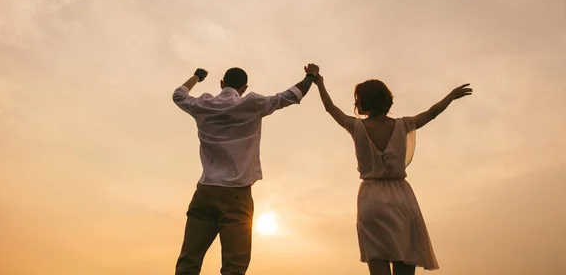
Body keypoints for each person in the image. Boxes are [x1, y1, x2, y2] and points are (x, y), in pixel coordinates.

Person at [312, 71, 472, 275]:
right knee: (406, 258)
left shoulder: (356, 126)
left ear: (363, 103)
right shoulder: (403, 125)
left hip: (371, 200)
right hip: (401, 199)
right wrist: (451, 96)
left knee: (378, 262)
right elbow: (431, 113)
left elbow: (331, 108)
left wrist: (320, 83)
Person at [172, 64, 320, 275]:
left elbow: (179, 95)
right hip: (237, 194)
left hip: (205, 191)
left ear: (222, 84)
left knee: (189, 261)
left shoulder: (203, 104)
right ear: (244, 87)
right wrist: (310, 76)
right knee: (234, 267)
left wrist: (196, 77)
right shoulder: (252, 104)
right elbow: (291, 95)